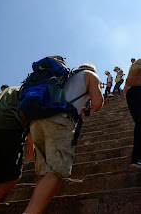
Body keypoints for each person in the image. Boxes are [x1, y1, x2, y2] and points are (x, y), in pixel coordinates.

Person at [24, 64, 104, 214]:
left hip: (37, 122)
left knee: (45, 172)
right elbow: (98, 102)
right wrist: (89, 107)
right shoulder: (90, 75)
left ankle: (34, 209)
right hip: (59, 122)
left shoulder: (64, 77)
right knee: (56, 171)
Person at [0, 87, 35, 212]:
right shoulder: (29, 90)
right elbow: (29, 112)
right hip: (9, 126)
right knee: (10, 178)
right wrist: (32, 142)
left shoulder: (4, 93)